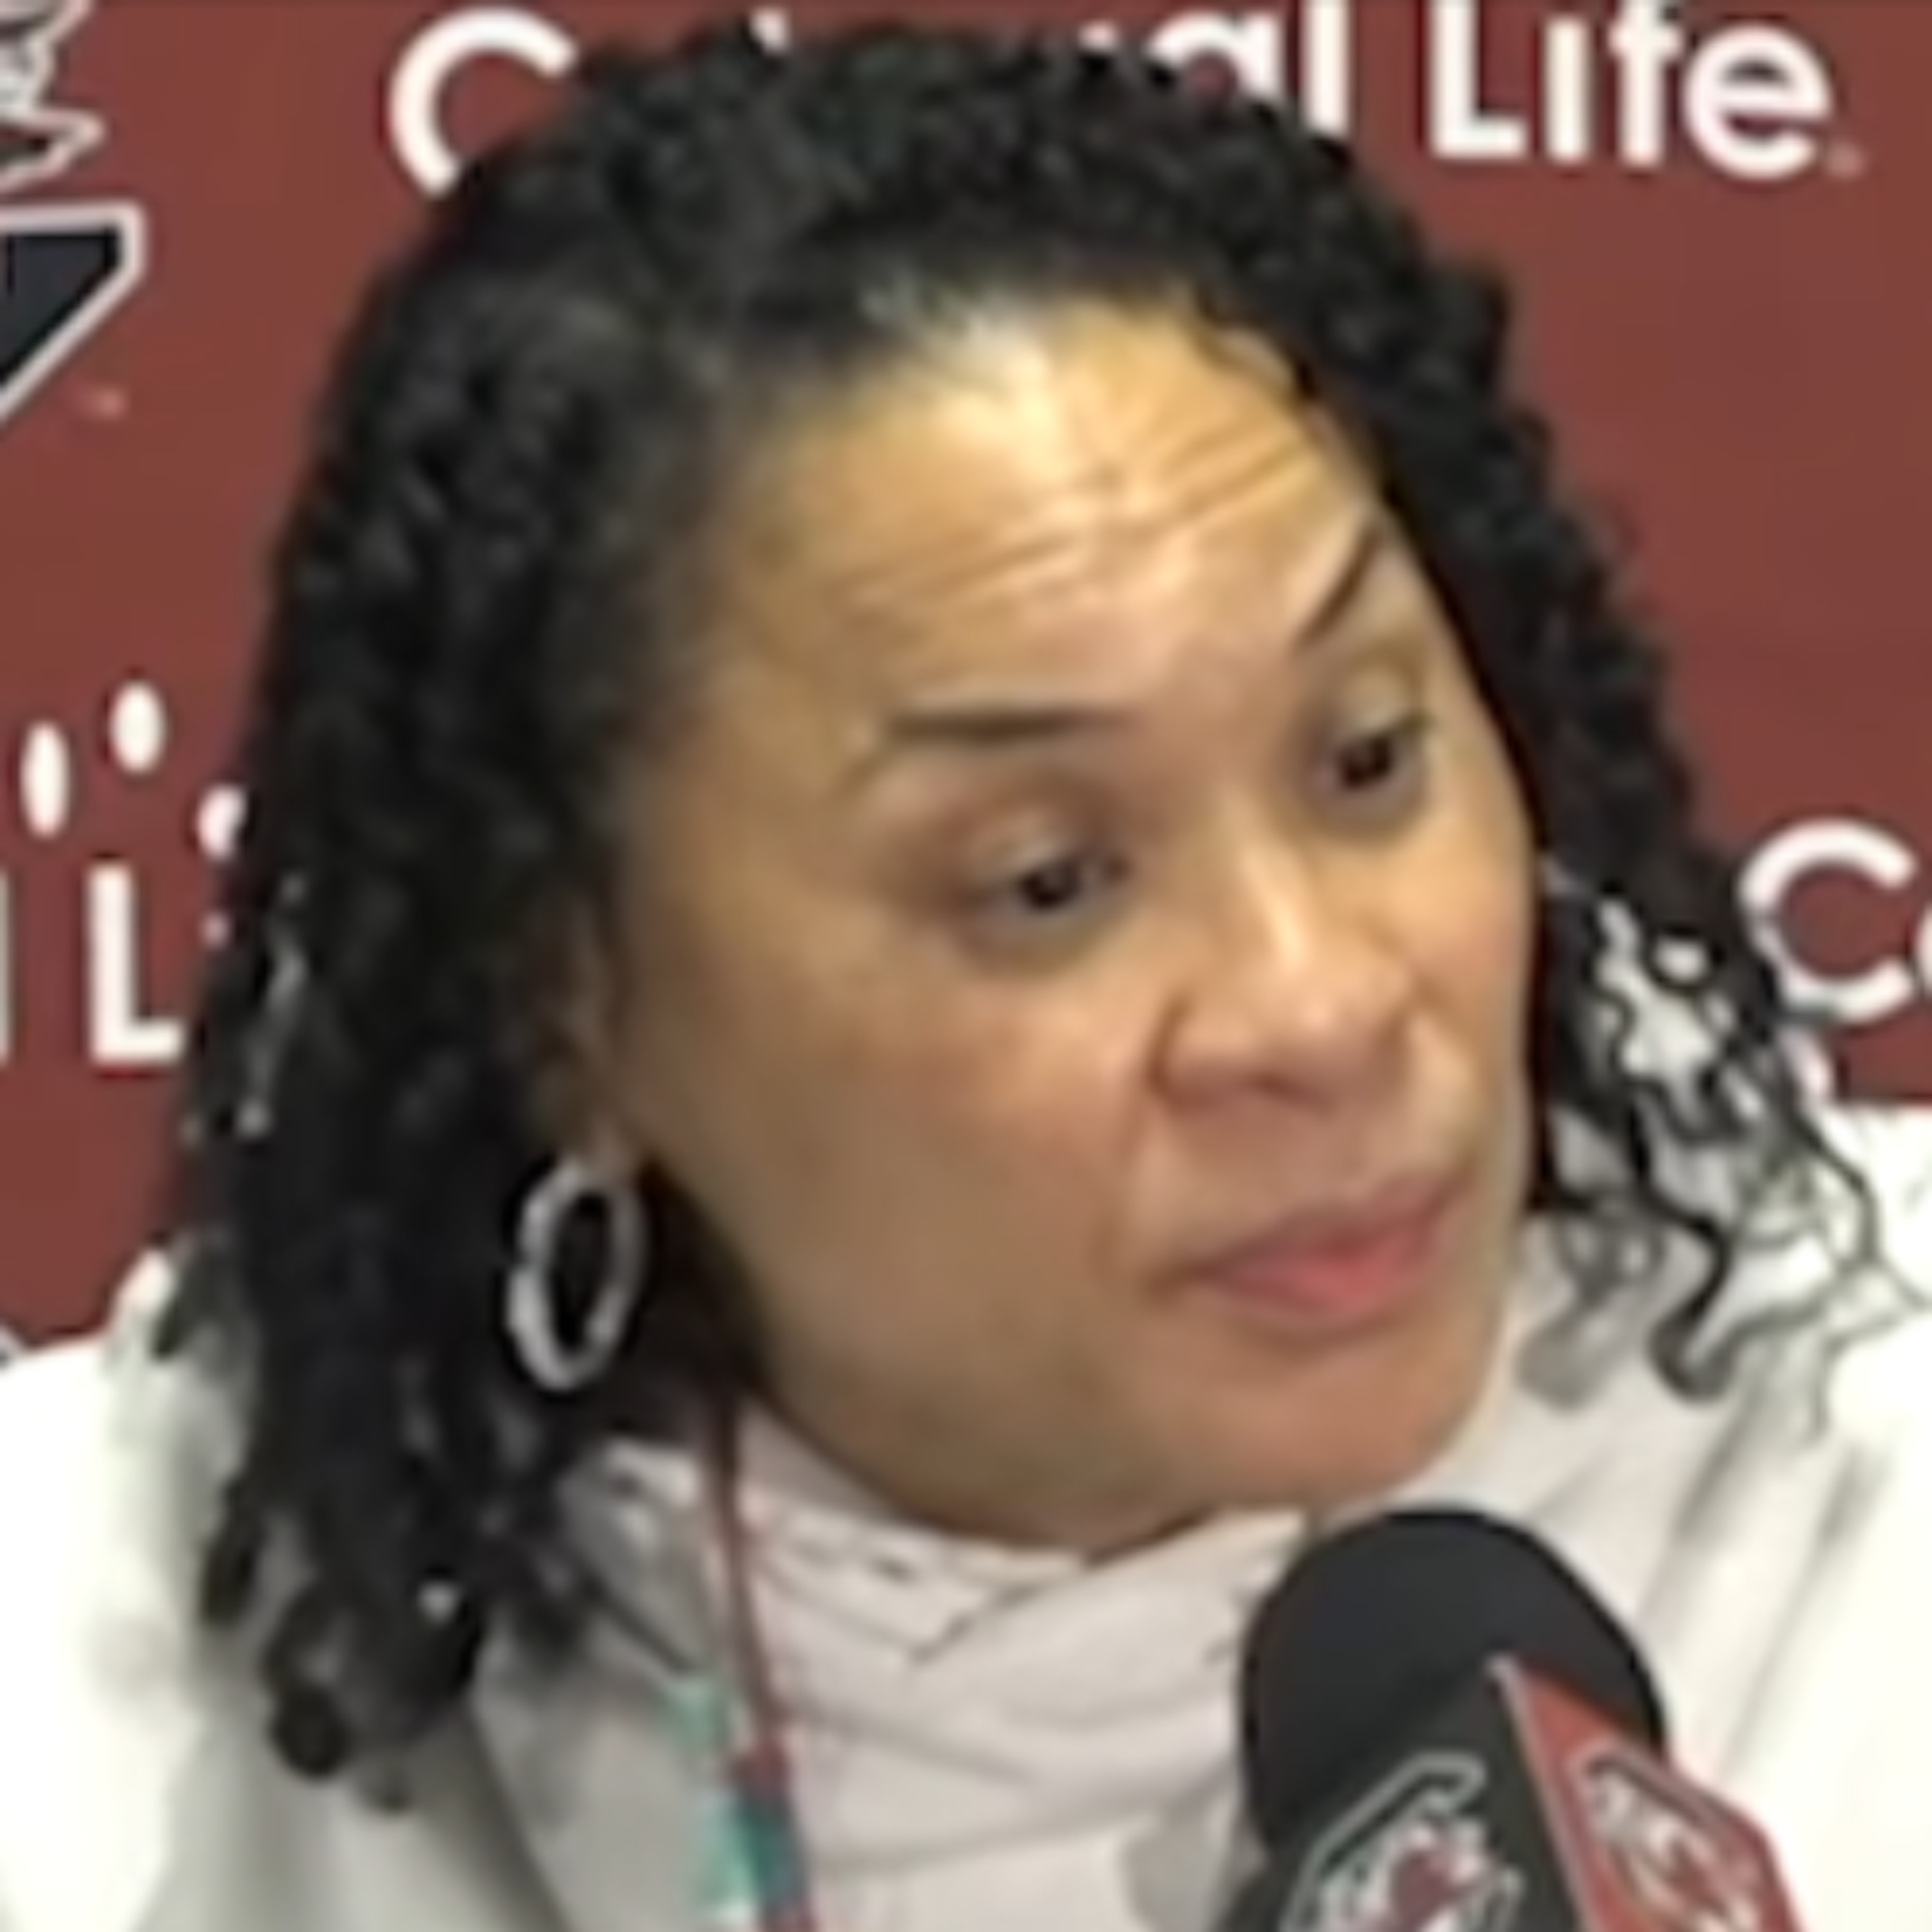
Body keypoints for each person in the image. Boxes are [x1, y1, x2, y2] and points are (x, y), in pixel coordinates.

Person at [1, 17, 1928, 1932]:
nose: (1318, 1009)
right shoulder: (96, 1716)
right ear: (565, 1003)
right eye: (1047, 882)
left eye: (1365, 762)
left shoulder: (1869, 1488)